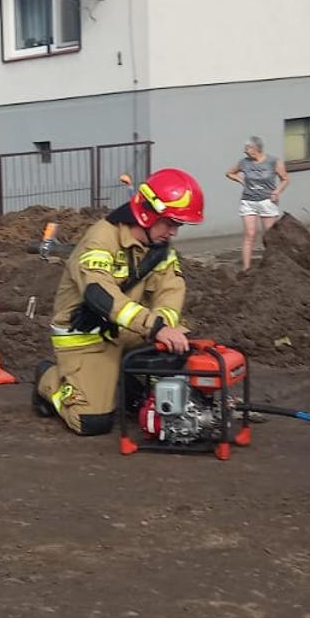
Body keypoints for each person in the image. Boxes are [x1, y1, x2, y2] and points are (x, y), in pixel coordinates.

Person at [33, 168, 203, 436]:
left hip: (127, 329)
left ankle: (126, 379)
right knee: (92, 422)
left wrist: (163, 328)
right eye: (170, 223)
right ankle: (48, 380)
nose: (174, 232)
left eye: (178, 225)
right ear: (148, 213)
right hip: (86, 335)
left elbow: (171, 291)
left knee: (184, 350)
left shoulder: (159, 248)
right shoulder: (100, 240)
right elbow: (99, 293)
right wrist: (155, 328)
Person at [223, 137, 288, 271]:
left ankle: (273, 266)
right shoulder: (243, 163)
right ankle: (246, 268)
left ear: (255, 149)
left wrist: (276, 192)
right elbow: (229, 173)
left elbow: (285, 179)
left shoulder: (273, 161)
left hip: (267, 201)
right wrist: (241, 181)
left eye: (247, 148)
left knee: (269, 236)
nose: (245, 151)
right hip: (248, 201)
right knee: (249, 234)